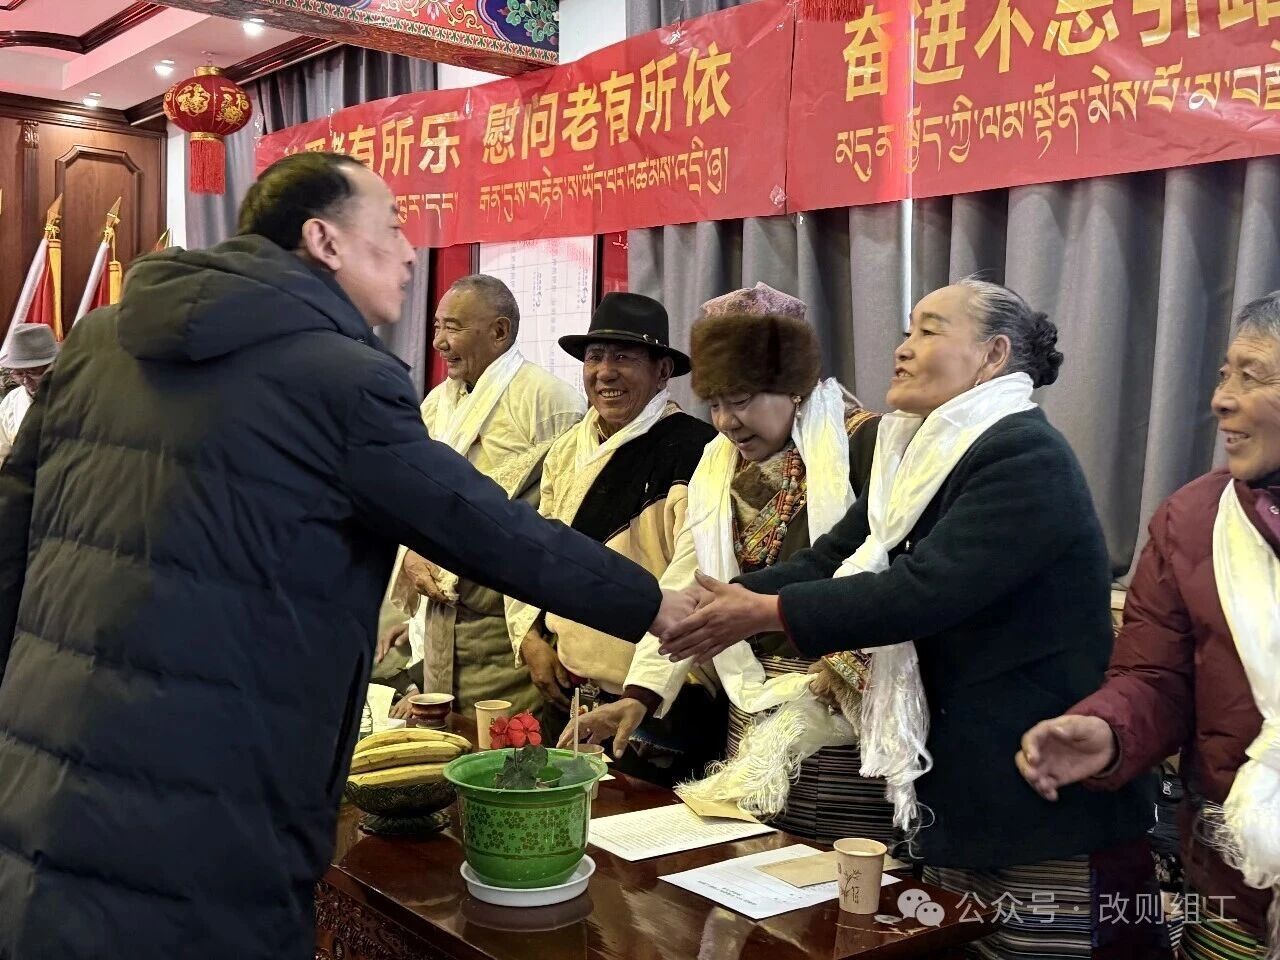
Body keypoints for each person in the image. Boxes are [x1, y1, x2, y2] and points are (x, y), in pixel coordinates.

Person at [0, 152, 691, 960]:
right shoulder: (342, 380)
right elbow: (490, 529)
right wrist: (656, 604)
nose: (408, 254)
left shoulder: (98, 343)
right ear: (324, 240)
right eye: (392, 229)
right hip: (213, 803)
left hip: (41, 776)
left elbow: (12, 536)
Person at [659, 279, 1168, 959]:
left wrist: (764, 611)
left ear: (993, 355)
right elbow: (830, 558)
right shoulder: (918, 454)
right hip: (961, 786)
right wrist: (716, 602)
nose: (902, 349)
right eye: (907, 331)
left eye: (928, 331)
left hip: (1039, 786)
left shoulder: (1023, 453)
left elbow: (924, 590)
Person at [570, 282, 894, 843]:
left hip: (844, 699)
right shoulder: (716, 464)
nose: (725, 422)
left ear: (793, 387)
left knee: (844, 863)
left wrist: (841, 668)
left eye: (741, 400)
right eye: (715, 404)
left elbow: (887, 565)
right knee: (757, 854)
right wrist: (640, 695)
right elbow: (688, 581)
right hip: (749, 701)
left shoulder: (865, 444)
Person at [1017, 291, 1280, 960]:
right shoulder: (1193, 520)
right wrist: (1107, 730)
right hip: (1239, 877)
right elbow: (1156, 677)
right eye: (1223, 374)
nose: (1221, 400)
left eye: (1251, 377)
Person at [506, 292, 718, 784]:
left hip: (653, 705)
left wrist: (643, 691)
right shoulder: (568, 448)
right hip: (570, 692)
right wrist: (529, 636)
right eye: (595, 357)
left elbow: (691, 579)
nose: (604, 372)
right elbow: (533, 549)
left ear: (663, 371)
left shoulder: (696, 450)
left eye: (623, 357)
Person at [380, 273, 585, 721]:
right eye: (436, 327)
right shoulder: (436, 403)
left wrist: (533, 632)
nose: (439, 342)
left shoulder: (549, 400)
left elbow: (560, 520)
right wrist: (411, 552)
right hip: (442, 622)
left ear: (499, 332)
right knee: (444, 745)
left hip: (507, 630)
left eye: (452, 328)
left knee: (506, 749)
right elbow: (411, 498)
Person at [0, 323, 58, 466]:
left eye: (33, 372)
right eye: (19, 374)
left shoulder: (77, 396)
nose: (26, 381)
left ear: (53, 366)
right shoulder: (11, 402)